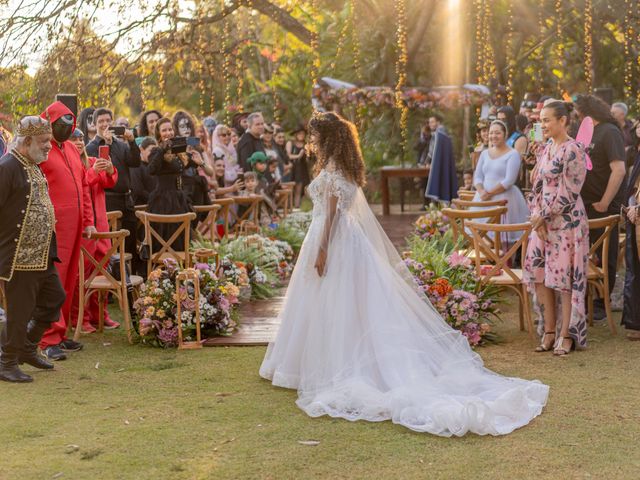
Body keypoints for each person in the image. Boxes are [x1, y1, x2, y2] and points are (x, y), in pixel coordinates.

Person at [259, 111, 548, 436]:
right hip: (350, 242)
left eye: (315, 137)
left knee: (335, 299)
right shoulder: (347, 169)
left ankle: (324, 365)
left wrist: (323, 248)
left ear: (327, 139)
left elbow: (331, 216)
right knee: (351, 302)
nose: (311, 143)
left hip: (335, 240)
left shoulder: (333, 171)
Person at [0, 116, 65, 382]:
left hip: (42, 255)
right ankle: (6, 362)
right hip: (19, 258)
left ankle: (27, 348)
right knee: (19, 313)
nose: (49, 146)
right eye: (44, 141)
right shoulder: (7, 167)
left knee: (54, 300)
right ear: (27, 142)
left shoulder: (33, 163)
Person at [524, 101, 589, 355]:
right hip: (542, 221)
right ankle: (549, 330)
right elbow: (537, 185)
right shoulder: (545, 148)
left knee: (563, 279)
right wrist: (535, 216)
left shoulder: (574, 150)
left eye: (548, 120)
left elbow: (569, 191)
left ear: (563, 121)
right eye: (542, 120)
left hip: (566, 222)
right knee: (540, 274)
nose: (543, 125)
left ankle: (566, 334)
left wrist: (543, 216)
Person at [39, 101, 97, 361]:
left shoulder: (73, 150)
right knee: (53, 282)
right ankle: (47, 338)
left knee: (69, 281)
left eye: (69, 124)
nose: (66, 128)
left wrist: (88, 221)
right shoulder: (40, 151)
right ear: (49, 124)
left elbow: (84, 187)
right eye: (60, 124)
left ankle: (60, 335)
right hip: (53, 225)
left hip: (75, 226)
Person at [574, 94, 626, 320]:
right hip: (582, 204)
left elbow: (619, 169)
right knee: (582, 254)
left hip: (603, 206)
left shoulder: (609, 132)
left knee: (606, 255)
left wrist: (605, 201)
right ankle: (583, 300)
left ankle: (599, 304)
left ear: (587, 111)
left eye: (578, 112)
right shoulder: (584, 132)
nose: (576, 116)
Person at [69, 128, 120, 332]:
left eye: (81, 138)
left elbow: (109, 182)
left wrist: (109, 169)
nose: (79, 142)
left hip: (102, 227)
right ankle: (79, 318)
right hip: (84, 227)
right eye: (74, 139)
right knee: (82, 274)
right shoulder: (71, 165)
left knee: (103, 272)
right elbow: (83, 183)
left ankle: (102, 315)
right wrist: (94, 172)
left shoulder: (91, 161)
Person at [86, 107, 142, 273]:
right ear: (94, 124)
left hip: (126, 200)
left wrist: (132, 141)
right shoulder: (90, 147)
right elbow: (99, 173)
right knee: (108, 246)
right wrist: (107, 144)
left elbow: (135, 162)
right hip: (107, 202)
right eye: (101, 121)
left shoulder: (122, 145)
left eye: (107, 121)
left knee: (130, 241)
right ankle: (109, 286)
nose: (105, 124)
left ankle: (129, 283)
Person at [472, 120, 529, 235]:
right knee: (482, 236)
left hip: (505, 199)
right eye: (491, 133)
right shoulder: (484, 154)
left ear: (505, 134)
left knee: (504, 236)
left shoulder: (513, 154)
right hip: (483, 198)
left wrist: (490, 193)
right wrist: (481, 191)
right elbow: (477, 177)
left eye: (497, 133)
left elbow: (509, 180)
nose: (493, 136)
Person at [147, 118, 195, 249]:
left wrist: (199, 161)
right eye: (164, 130)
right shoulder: (157, 151)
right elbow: (151, 170)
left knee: (181, 236)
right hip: (163, 200)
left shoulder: (178, 151)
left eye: (170, 129)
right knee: (166, 235)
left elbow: (191, 162)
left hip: (179, 197)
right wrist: (162, 149)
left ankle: (182, 267)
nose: (168, 133)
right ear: (159, 134)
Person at [622, 121, 640, 340]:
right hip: (635, 219)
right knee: (635, 268)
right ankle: (635, 320)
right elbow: (633, 187)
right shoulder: (636, 153)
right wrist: (632, 207)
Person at [425, 114, 458, 203]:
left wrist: (429, 161)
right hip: (436, 164)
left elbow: (434, 151)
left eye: (432, 122)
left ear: (438, 122)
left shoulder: (440, 135)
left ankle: (437, 211)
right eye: (429, 122)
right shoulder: (437, 134)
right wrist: (427, 161)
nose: (430, 124)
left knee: (440, 185)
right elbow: (431, 150)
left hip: (440, 165)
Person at [286, 124, 310, 208]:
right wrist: (298, 156)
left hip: (301, 168)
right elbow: (288, 155)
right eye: (299, 134)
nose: (301, 135)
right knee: (290, 188)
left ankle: (297, 206)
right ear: (296, 134)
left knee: (299, 189)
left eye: (303, 134)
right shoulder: (290, 143)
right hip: (292, 168)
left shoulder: (305, 144)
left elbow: (308, 158)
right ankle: (288, 206)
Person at [131, 137, 159, 205]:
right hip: (142, 206)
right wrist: (154, 199)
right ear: (142, 150)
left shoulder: (156, 166)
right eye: (150, 151)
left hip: (155, 204)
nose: (153, 154)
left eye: (155, 151)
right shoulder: (136, 166)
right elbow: (138, 190)